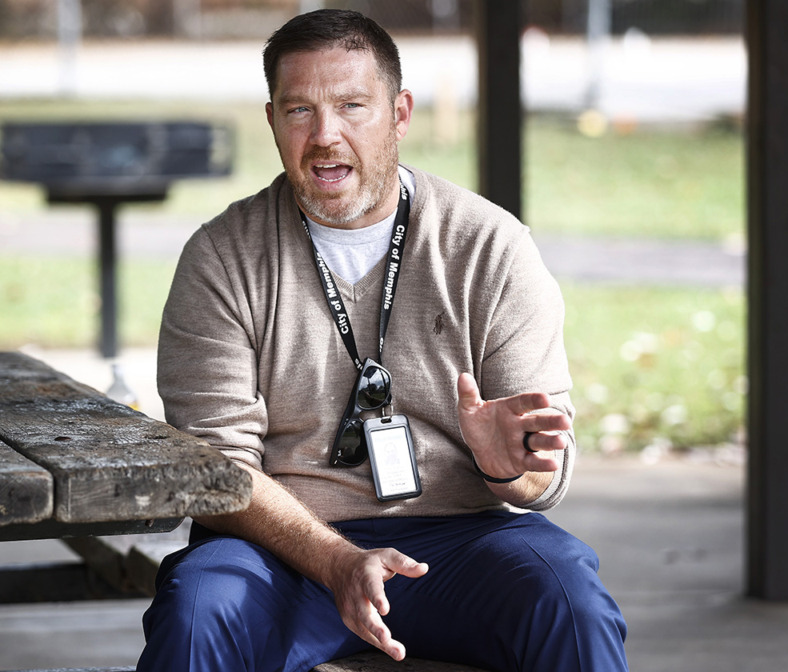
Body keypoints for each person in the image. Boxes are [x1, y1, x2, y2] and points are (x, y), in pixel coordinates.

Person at [138, 9, 628, 672]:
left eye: (351, 106)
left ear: (400, 114)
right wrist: (337, 562)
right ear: (272, 120)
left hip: (462, 540)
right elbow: (221, 476)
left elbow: (544, 470)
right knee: (199, 607)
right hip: (286, 549)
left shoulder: (491, 248)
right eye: (299, 111)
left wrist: (507, 466)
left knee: (570, 601)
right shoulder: (223, 258)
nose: (324, 135)